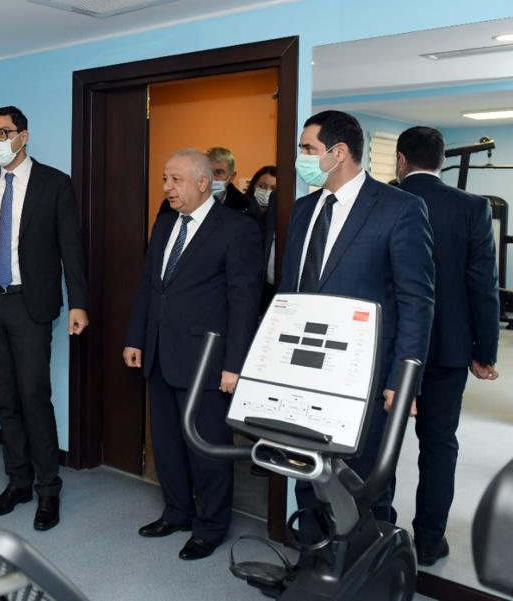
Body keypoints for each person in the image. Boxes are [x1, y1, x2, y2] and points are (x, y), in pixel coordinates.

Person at [278, 111, 434, 533]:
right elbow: (290, 292)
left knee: (363, 484)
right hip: (303, 369)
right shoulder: (304, 210)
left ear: (339, 152)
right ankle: (314, 559)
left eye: (308, 149)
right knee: (308, 474)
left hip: (365, 376)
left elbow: (417, 301)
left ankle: (370, 567)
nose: (301, 157)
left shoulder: (399, 208)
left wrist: (402, 380)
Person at [0, 105, 88, 531]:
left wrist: (79, 302)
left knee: (33, 397)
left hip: (31, 305)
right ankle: (18, 482)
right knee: (6, 399)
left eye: (3, 133)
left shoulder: (54, 183)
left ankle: (49, 489)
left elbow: (71, 247)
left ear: (23, 136)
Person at [123, 149, 263, 561]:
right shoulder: (166, 222)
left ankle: (211, 526)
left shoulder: (237, 229)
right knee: (166, 444)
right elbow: (151, 286)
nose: (167, 187)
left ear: (204, 183)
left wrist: (234, 365)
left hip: (206, 360)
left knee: (207, 449)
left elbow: (244, 302)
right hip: (160, 353)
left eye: (176, 180)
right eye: (165, 179)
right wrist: (135, 338)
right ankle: (177, 512)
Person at [396, 125, 500, 566]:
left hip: (391, 348)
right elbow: (483, 285)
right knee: (439, 443)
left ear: (401, 160)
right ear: (441, 161)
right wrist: (484, 352)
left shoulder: (384, 200)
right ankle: (428, 540)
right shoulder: (472, 207)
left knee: (377, 442)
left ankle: (375, 530)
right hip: (448, 347)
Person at [207, 146, 262, 222]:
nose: (212, 178)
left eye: (219, 172)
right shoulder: (190, 202)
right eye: (207, 171)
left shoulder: (247, 206)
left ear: (231, 177)